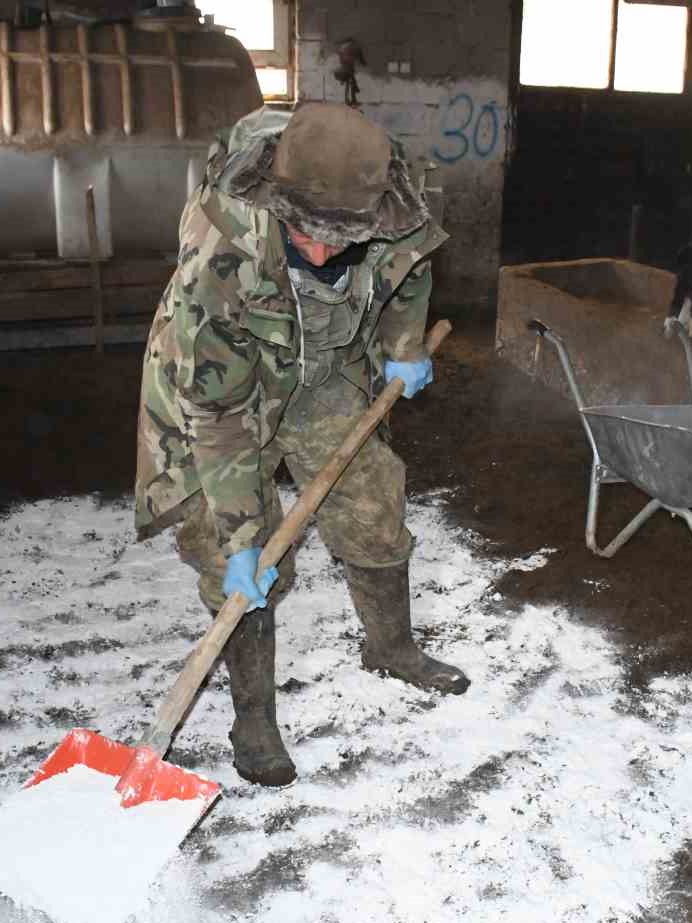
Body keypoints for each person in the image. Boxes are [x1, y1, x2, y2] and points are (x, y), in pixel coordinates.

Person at [133, 103, 469, 789]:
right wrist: (240, 539)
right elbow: (219, 411)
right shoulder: (219, 251)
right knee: (240, 554)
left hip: (324, 370)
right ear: (277, 199)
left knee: (373, 498)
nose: (320, 254)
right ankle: (253, 715)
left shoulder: (387, 191)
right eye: (306, 235)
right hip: (226, 388)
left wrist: (404, 345)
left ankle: (393, 648)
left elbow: (411, 265)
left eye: (341, 239)